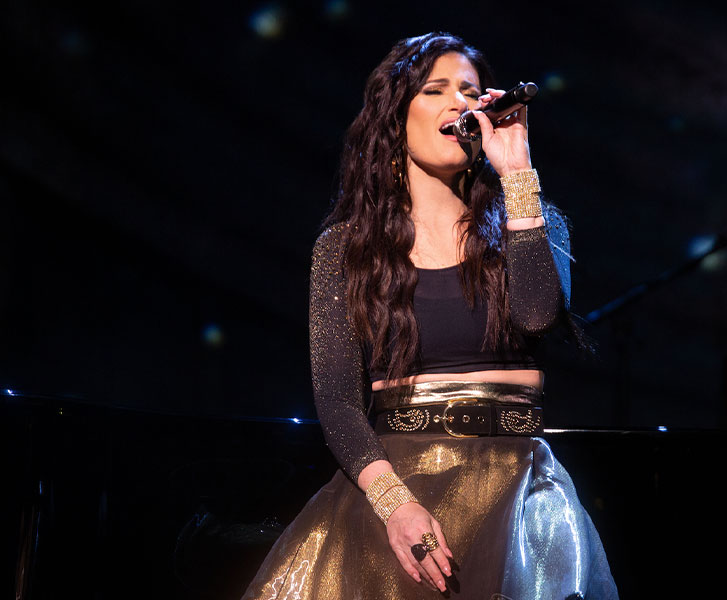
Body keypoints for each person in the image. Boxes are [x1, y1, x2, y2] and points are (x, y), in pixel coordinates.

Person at [241, 32, 617, 599]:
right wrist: (396, 507)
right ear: (397, 118)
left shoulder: (537, 225)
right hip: (402, 485)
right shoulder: (344, 250)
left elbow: (538, 316)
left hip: (520, 494)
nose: (459, 104)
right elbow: (338, 400)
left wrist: (516, 170)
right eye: (435, 90)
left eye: (470, 91)